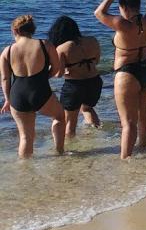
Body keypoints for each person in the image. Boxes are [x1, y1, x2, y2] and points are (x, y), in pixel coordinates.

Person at [94, 0, 146, 159]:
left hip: (127, 73)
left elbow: (98, 12)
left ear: (123, 7)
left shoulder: (121, 24)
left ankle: (126, 158)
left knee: (128, 122)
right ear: (138, 6)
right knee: (144, 114)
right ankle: (144, 149)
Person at [1, 15, 66, 158]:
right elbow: (56, 69)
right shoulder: (45, 45)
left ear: (15, 30)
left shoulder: (7, 51)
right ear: (33, 30)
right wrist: (43, 78)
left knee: (25, 137)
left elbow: (5, 78)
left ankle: (24, 170)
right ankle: (60, 152)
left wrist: (7, 100)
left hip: (17, 94)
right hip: (39, 91)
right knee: (59, 116)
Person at [49, 15, 103, 136]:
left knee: (70, 123)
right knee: (87, 108)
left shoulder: (62, 48)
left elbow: (59, 74)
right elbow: (97, 61)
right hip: (94, 81)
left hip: (74, 86)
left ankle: (71, 150)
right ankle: (97, 135)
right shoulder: (93, 40)